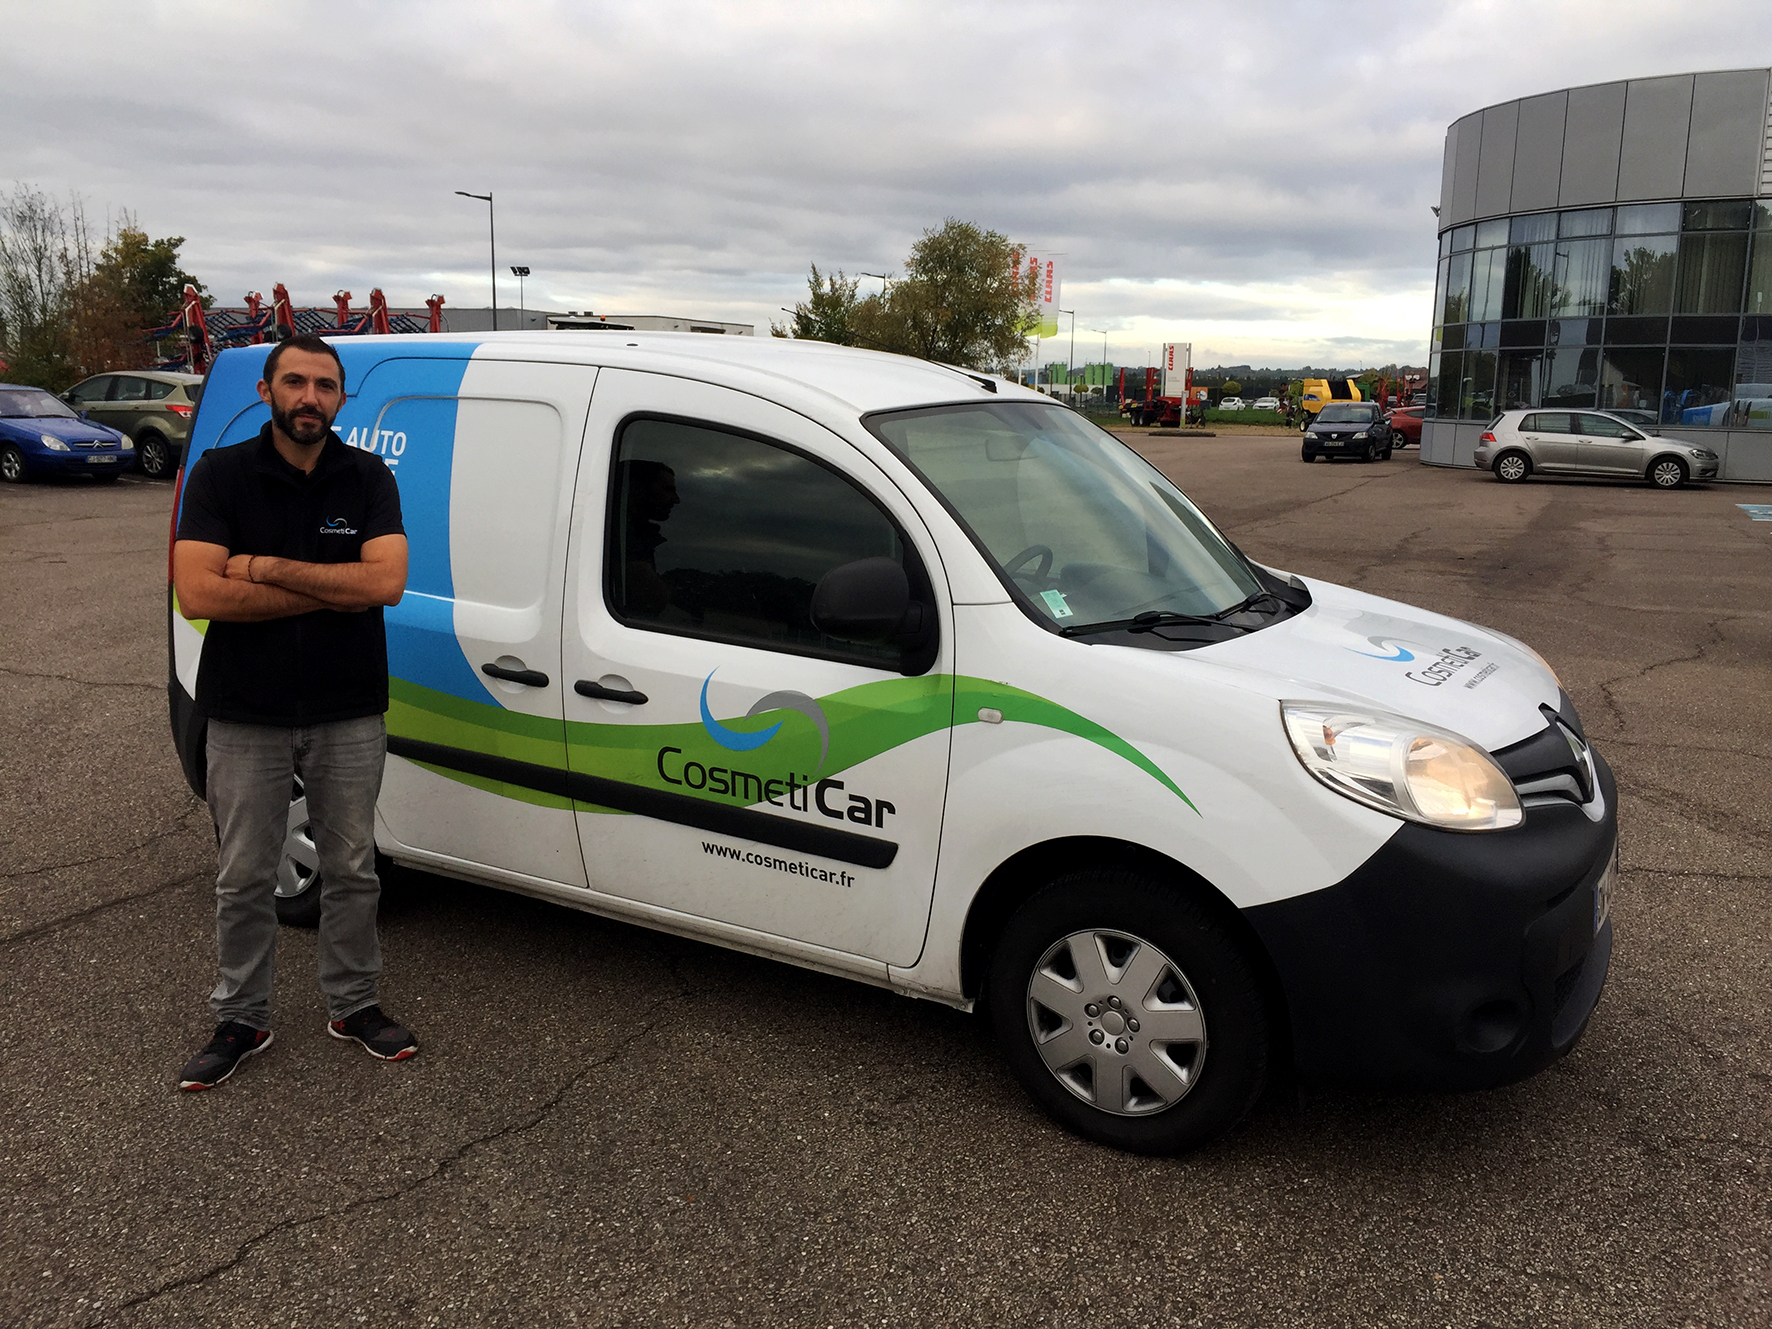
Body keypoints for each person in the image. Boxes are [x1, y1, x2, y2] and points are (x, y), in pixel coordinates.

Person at [171, 333, 417, 1091]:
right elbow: (200, 593)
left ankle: (354, 1002)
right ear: (268, 391)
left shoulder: (367, 475)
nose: (310, 396)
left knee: (352, 867)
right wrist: (329, 583)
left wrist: (262, 568)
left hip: (349, 710)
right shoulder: (221, 475)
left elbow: (386, 584)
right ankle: (241, 1016)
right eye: (296, 382)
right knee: (244, 876)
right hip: (246, 713)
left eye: (325, 385)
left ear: (342, 398)